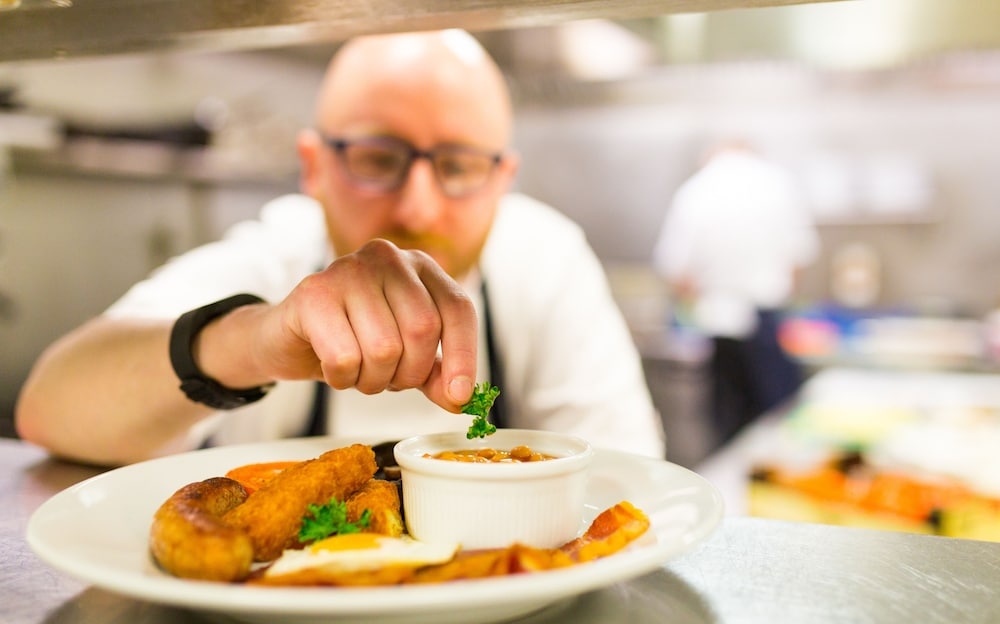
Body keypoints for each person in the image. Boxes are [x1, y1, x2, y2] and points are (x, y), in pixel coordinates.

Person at [15, 29, 664, 467]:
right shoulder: (276, 258)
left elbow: (627, 486)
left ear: (503, 179)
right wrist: (251, 340)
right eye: (377, 158)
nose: (417, 207)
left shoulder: (544, 262)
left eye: (459, 166)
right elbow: (50, 407)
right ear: (313, 166)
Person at [652, 139, 819, 450]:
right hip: (768, 318)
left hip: (719, 324)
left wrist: (696, 305)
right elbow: (799, 258)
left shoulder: (696, 190)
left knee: (731, 433)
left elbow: (675, 269)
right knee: (779, 425)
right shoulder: (779, 183)